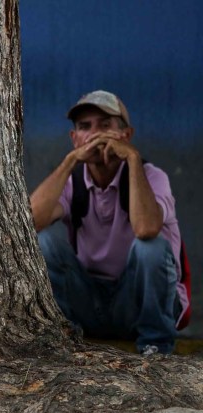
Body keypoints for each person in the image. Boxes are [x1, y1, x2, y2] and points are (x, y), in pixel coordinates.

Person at [29, 90, 186, 356]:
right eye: (84, 127)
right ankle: (64, 338)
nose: (95, 135)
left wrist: (132, 158)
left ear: (126, 135)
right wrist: (71, 160)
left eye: (105, 125)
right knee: (45, 242)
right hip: (90, 303)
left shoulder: (152, 177)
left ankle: (156, 347)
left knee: (151, 247)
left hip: (136, 305)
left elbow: (146, 229)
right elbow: (30, 222)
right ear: (74, 138)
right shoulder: (71, 180)